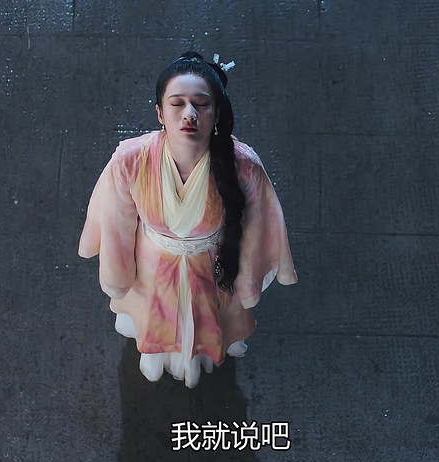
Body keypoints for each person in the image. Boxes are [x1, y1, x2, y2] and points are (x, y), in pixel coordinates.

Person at [78, 51, 297, 388]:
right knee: (157, 317)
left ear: (216, 113)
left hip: (210, 264)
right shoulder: (130, 161)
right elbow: (116, 223)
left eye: (201, 104)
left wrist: (245, 281)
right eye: (177, 104)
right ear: (160, 113)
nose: (189, 114)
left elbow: (256, 229)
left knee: (207, 317)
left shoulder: (243, 166)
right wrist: (119, 274)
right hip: (153, 264)